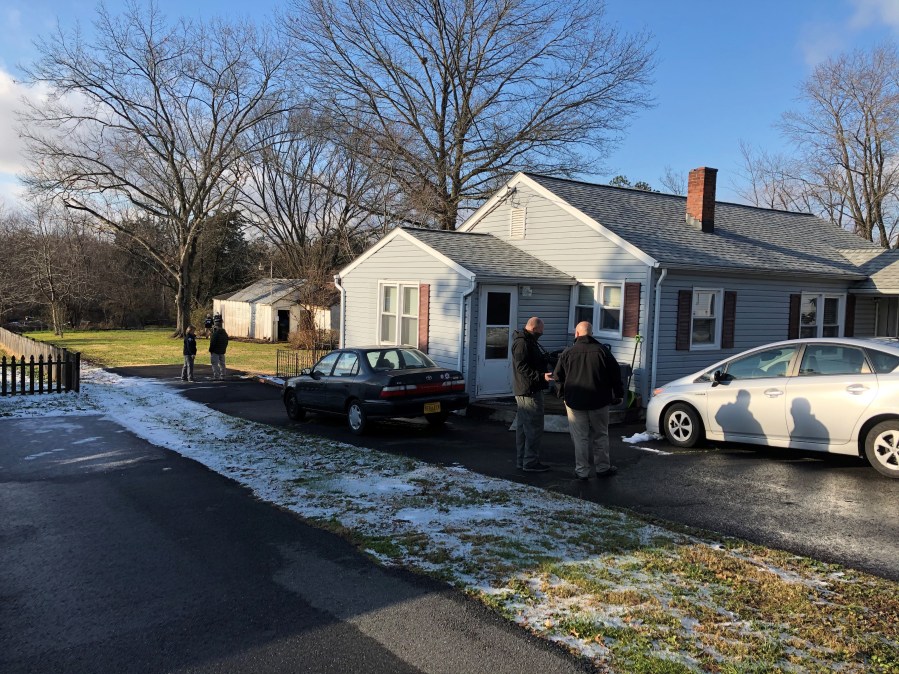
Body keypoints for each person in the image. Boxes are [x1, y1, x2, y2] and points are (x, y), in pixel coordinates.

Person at [552, 321, 624, 480]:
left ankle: (582, 471)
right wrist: (618, 394)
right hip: (600, 401)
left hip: (575, 403)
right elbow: (615, 374)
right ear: (592, 334)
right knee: (601, 435)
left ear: (576, 334)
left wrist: (562, 395)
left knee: (580, 438)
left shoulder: (567, 353)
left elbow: (558, 377)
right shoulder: (602, 351)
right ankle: (603, 468)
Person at [512, 316, 554, 472]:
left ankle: (522, 460)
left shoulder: (527, 341)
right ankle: (530, 462)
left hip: (525, 389)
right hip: (529, 390)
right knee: (534, 427)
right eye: (541, 331)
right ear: (535, 329)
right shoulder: (522, 343)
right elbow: (521, 367)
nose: (542, 333)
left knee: (524, 427)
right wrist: (541, 376)